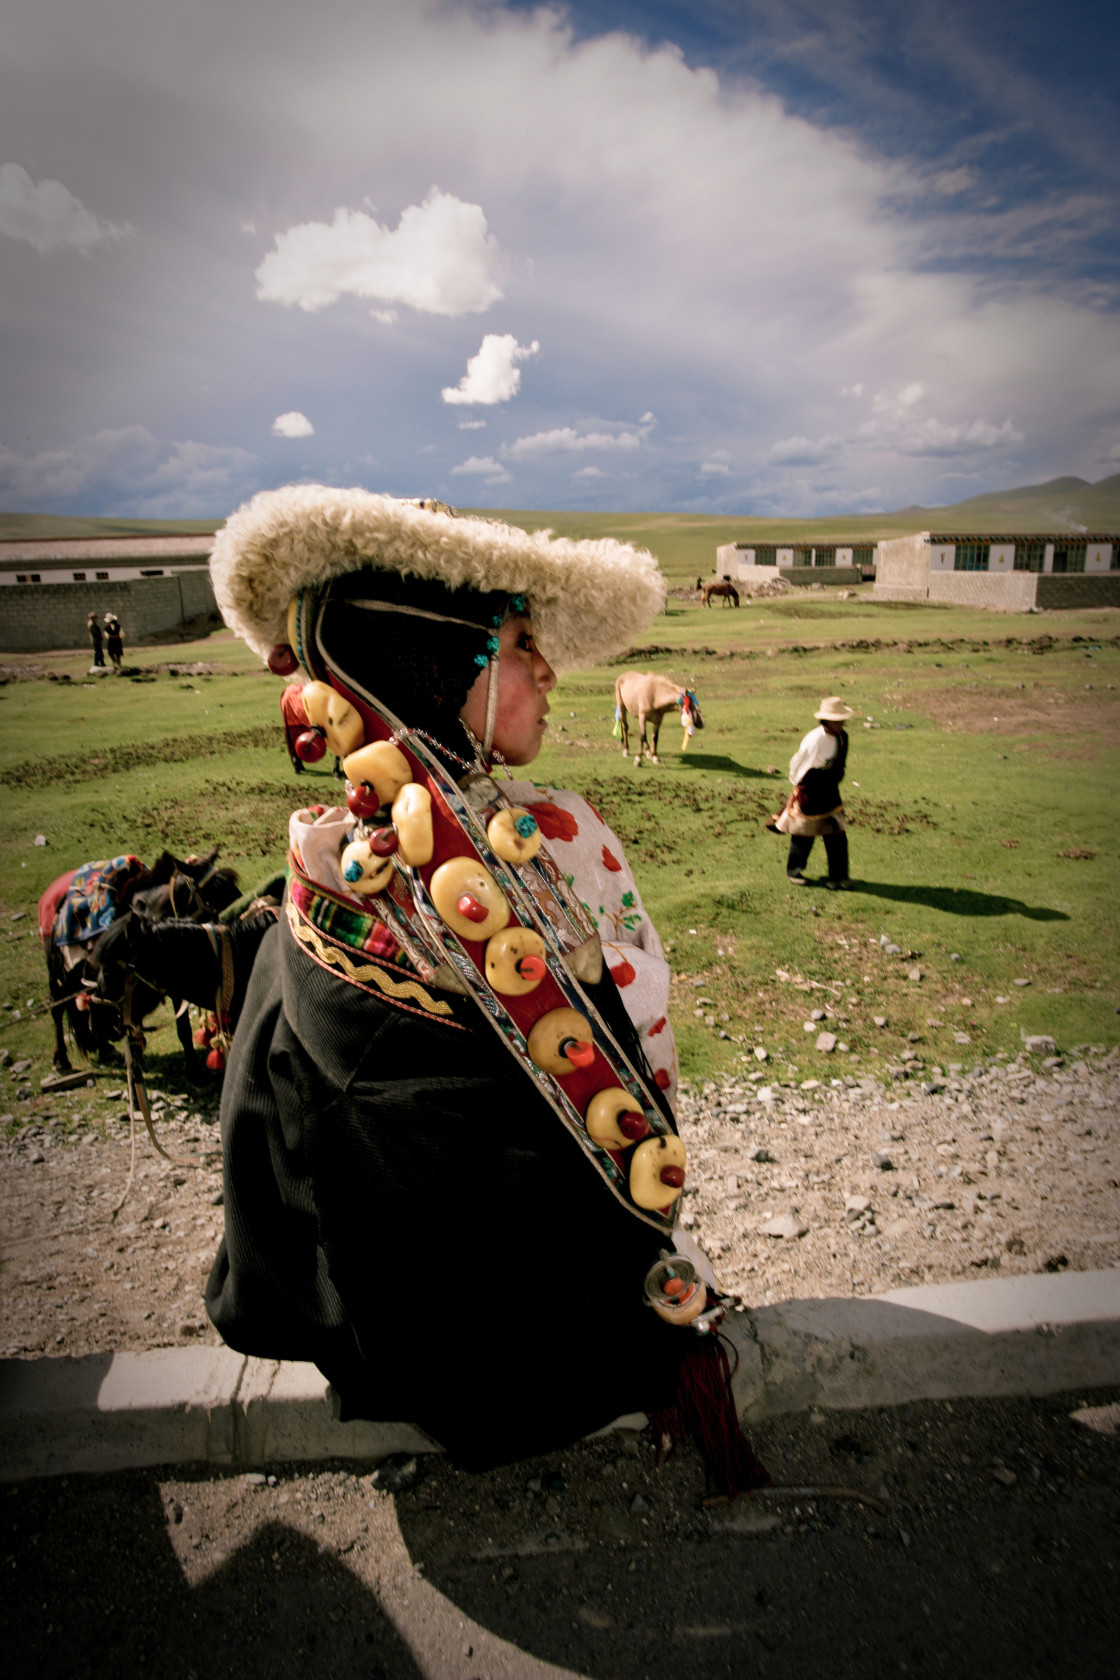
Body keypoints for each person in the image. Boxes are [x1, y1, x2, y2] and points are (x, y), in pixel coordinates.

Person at [195, 483, 767, 1488]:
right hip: (516, 1328)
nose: (550, 671)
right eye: (514, 643)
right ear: (426, 663)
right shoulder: (539, 846)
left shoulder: (341, 859)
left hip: (388, 1325)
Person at [770, 695, 854, 888]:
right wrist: (801, 786)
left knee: (837, 833)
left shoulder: (843, 738)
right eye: (836, 720)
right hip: (811, 788)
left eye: (841, 719)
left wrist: (835, 778)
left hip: (830, 789)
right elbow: (798, 764)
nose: (840, 723)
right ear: (826, 720)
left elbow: (840, 765)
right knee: (803, 833)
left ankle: (838, 877)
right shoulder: (815, 739)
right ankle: (794, 871)